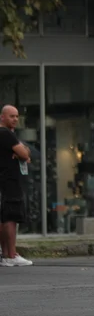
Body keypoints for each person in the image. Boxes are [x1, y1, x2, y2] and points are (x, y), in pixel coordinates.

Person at [0, 105, 33, 267]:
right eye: (11, 116)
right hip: (9, 181)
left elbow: (24, 152)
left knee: (5, 217)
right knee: (11, 218)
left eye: (16, 116)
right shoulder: (5, 133)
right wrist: (22, 152)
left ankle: (6, 254)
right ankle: (11, 255)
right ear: (2, 117)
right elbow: (25, 154)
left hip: (7, 181)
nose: (15, 119)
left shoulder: (9, 134)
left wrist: (22, 152)